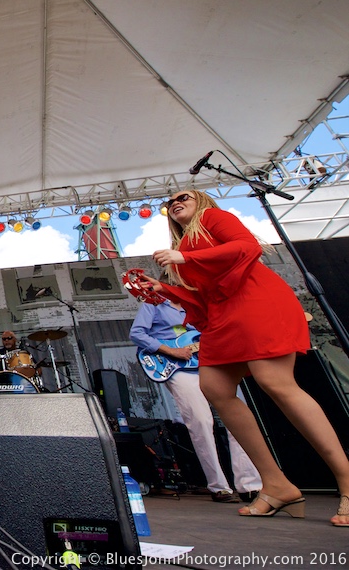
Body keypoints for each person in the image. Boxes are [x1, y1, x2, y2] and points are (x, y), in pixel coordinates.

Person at [144, 189, 349, 526]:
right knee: (215, 388)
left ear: (202, 201)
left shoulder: (212, 218)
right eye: (168, 203)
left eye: (183, 197)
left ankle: (346, 480)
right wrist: (165, 289)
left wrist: (185, 260)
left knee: (276, 383)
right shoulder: (185, 245)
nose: (173, 203)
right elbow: (207, 290)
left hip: (255, 301)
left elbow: (247, 247)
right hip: (224, 315)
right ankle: (277, 485)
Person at [130, 296, 261, 502]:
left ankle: (250, 485)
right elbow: (137, 333)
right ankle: (218, 486)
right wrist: (170, 350)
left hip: (209, 361)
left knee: (238, 419)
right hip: (178, 367)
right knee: (201, 421)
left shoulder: (199, 304)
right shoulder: (153, 304)